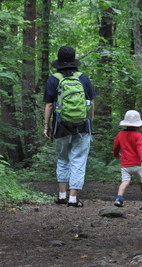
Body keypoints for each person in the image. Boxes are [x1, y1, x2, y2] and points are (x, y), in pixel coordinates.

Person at [43, 46, 97, 208]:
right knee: (78, 160)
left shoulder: (53, 79)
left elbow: (49, 105)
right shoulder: (83, 78)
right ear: (74, 60)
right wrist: (90, 122)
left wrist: (46, 126)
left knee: (63, 158)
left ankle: (61, 196)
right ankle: (73, 198)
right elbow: (92, 104)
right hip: (82, 126)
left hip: (60, 126)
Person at [112, 110, 142, 207]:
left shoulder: (120, 134)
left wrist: (116, 154)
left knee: (125, 181)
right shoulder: (138, 135)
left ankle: (119, 198)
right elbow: (140, 149)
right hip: (137, 164)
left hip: (126, 164)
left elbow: (116, 147)